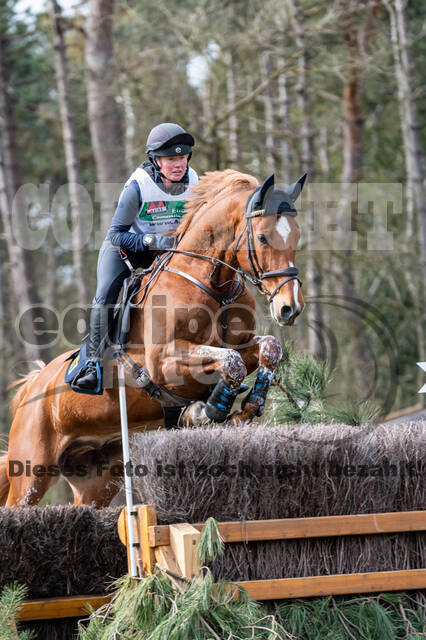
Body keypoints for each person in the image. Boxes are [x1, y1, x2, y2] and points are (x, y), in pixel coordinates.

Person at [73, 122, 199, 391]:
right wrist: (149, 240)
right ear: (156, 160)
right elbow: (116, 234)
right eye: (171, 159)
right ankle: (92, 365)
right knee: (106, 294)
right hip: (125, 251)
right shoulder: (138, 186)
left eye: (182, 157)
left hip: (165, 254)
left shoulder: (195, 182)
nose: (179, 164)